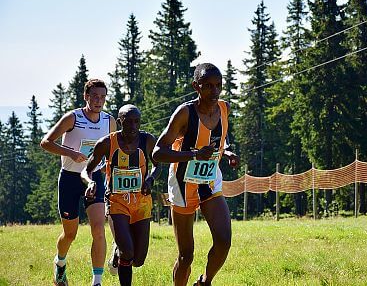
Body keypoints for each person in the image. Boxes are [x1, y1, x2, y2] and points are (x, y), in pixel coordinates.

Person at [152, 63, 239, 286]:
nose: (214, 91)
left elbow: (219, 138)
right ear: (196, 86)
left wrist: (227, 151)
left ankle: (205, 281)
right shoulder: (185, 113)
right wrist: (193, 155)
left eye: (218, 86)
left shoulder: (224, 109)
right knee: (186, 256)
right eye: (208, 86)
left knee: (224, 241)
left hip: (209, 183)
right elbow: (158, 152)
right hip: (182, 186)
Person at [40, 79, 116, 286]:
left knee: (98, 229)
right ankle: (60, 262)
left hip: (94, 178)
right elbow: (46, 142)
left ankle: (97, 281)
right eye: (94, 97)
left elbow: (113, 152)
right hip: (70, 179)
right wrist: (71, 153)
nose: (98, 101)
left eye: (102, 97)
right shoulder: (73, 118)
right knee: (70, 234)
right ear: (86, 97)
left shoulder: (109, 121)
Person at [81, 104, 161, 286]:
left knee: (139, 260)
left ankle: (117, 253)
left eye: (137, 122)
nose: (133, 126)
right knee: (129, 253)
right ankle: (122, 252)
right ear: (119, 122)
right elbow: (86, 171)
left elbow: (158, 165)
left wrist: (150, 179)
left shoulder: (147, 140)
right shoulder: (107, 143)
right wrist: (91, 182)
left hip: (141, 203)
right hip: (117, 203)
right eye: (128, 122)